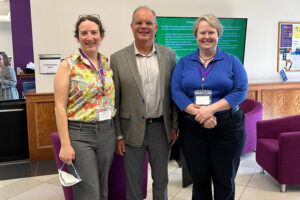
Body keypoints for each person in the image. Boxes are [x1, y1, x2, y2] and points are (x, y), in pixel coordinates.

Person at [171, 14, 248, 200]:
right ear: (196, 35)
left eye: (211, 32)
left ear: (218, 34)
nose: (206, 36)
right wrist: (201, 113)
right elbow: (176, 91)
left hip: (227, 128)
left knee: (225, 180)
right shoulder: (184, 62)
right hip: (193, 129)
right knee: (199, 181)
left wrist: (210, 110)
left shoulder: (232, 61)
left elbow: (240, 90)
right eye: (202, 32)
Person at [110, 6, 178, 200]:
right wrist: (118, 135)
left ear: (156, 27)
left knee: (161, 180)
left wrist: (174, 125)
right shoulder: (117, 59)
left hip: (160, 127)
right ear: (132, 27)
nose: (144, 26)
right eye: (139, 23)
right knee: (133, 182)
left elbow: (173, 94)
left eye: (148, 23)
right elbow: (114, 100)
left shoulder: (169, 55)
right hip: (130, 129)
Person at [54, 15, 116, 200]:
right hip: (80, 134)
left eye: (94, 32)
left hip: (107, 131)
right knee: (89, 191)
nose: (89, 37)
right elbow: (59, 106)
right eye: (84, 33)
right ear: (78, 37)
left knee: (103, 186)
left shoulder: (106, 63)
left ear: (101, 35)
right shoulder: (68, 65)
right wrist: (65, 144)